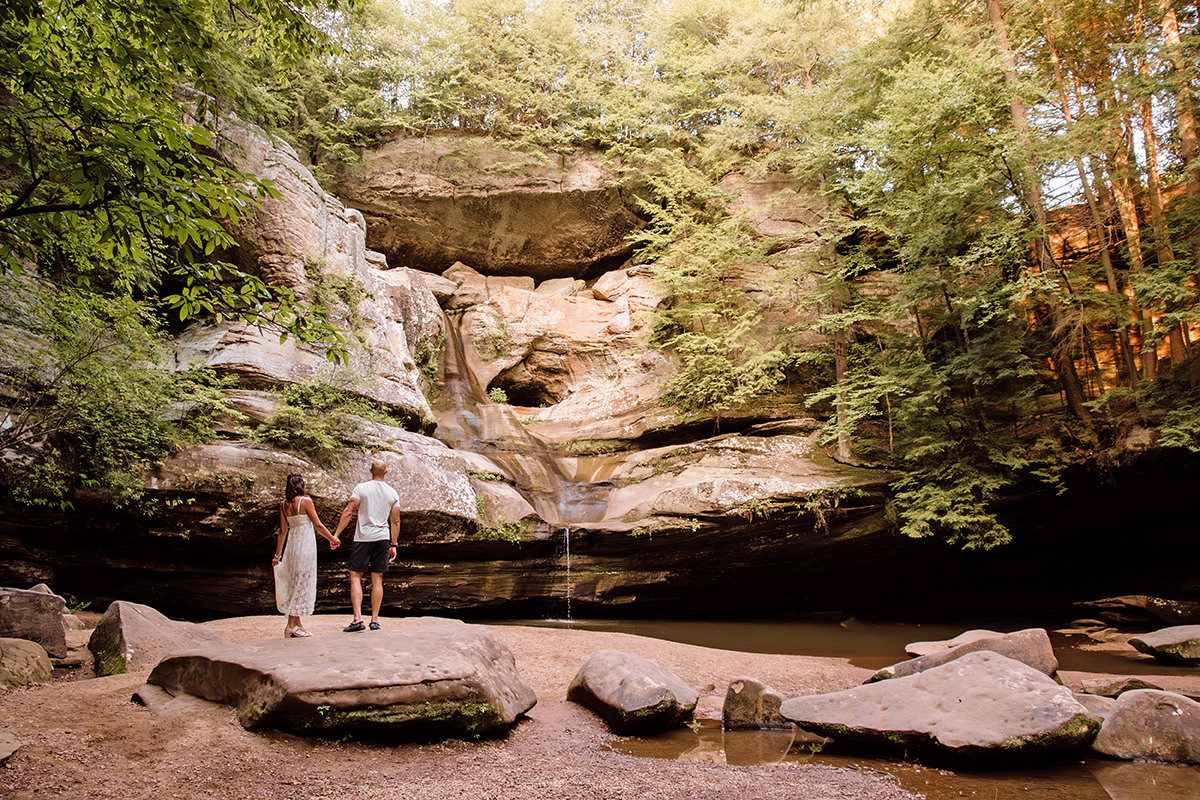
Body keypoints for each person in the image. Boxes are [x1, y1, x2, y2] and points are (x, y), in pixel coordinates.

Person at [333, 459, 400, 632]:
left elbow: (349, 511)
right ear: (386, 472)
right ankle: (375, 620)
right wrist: (393, 544)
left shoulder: (361, 488)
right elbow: (396, 521)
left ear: (370, 470)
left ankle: (357, 619)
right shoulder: (393, 493)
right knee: (377, 578)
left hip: (363, 538)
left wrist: (336, 534)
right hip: (383, 538)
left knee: (355, 575)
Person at [273, 473, 339, 638]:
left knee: (295, 582)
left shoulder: (284, 505)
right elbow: (318, 525)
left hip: (292, 547)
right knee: (302, 583)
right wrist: (333, 539)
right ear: (300, 485)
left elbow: (282, 532)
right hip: (305, 546)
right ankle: (291, 625)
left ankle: (297, 624)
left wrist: (277, 555)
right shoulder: (306, 501)